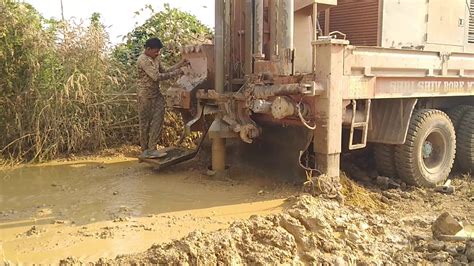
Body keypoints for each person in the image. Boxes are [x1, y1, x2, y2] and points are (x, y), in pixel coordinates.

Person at [137, 38, 189, 159]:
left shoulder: (156, 58)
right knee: (145, 123)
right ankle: (145, 150)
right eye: (156, 51)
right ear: (148, 49)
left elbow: (165, 70)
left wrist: (180, 65)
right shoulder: (143, 60)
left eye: (159, 51)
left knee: (158, 120)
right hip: (144, 96)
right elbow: (156, 77)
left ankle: (152, 149)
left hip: (156, 94)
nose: (158, 53)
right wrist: (178, 72)